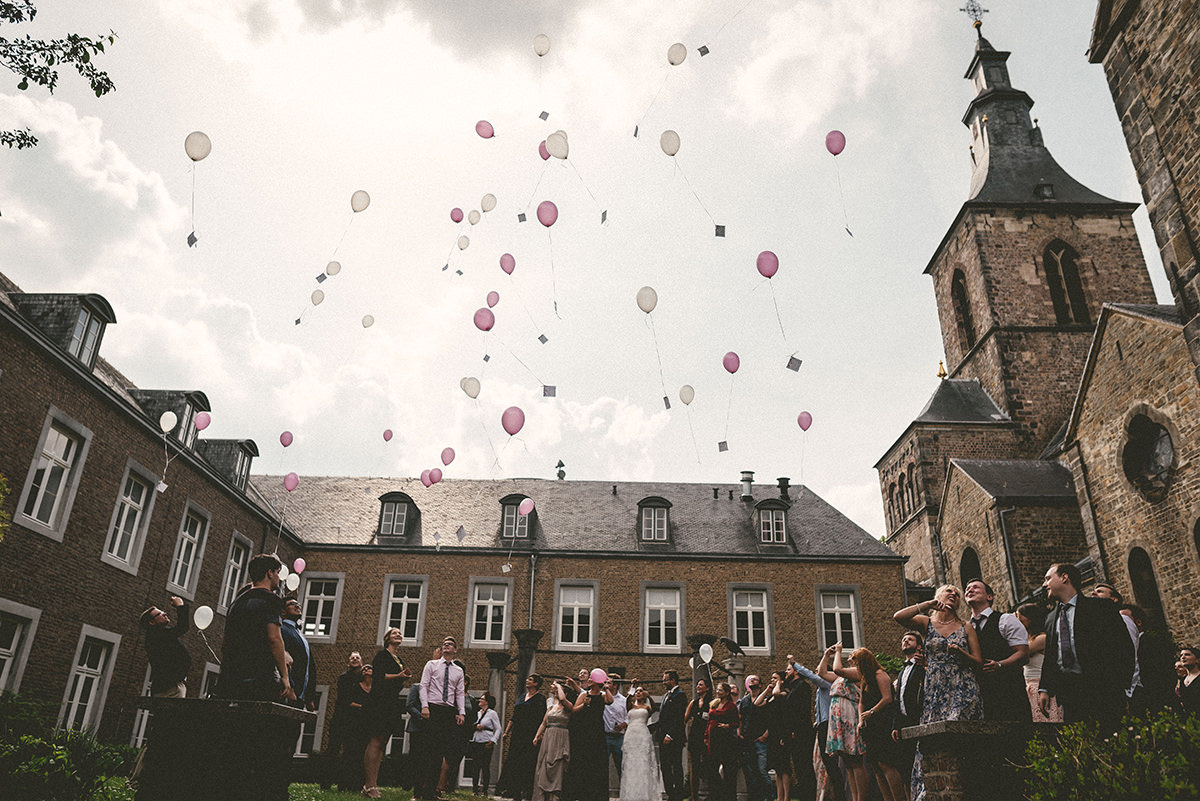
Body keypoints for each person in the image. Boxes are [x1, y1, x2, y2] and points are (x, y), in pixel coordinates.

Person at [894, 584, 983, 801]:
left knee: (957, 732)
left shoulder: (966, 626)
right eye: (948, 591)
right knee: (934, 738)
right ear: (938, 597)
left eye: (956, 593)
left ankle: (967, 788)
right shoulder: (927, 623)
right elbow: (899, 616)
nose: (953, 594)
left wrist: (960, 652)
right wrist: (926, 605)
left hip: (963, 685)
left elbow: (978, 661)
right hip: (935, 688)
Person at [1038, 563, 1134, 733]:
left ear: (1064, 578)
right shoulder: (1050, 618)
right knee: (1080, 740)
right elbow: (1051, 656)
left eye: (1048, 579)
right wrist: (1044, 688)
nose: (1044, 584)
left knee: (1111, 737)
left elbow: (1122, 647)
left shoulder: (1100, 607)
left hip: (1102, 688)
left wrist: (1120, 686)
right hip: (1069, 691)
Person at [216, 553, 294, 703]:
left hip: (231, 675)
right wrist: (284, 676)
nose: (278, 577)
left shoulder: (236, 602)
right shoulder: (271, 599)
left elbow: (225, 641)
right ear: (269, 573)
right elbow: (274, 638)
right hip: (259, 677)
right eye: (277, 572)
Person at [963, 579, 1029, 722]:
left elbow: (1023, 653)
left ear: (989, 596)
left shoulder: (1005, 620)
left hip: (1009, 690)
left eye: (975, 587)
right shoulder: (965, 629)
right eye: (967, 589)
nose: (969, 590)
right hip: (980, 695)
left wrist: (1000, 664)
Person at [363, 627, 412, 798]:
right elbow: (378, 676)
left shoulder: (399, 659)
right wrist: (398, 676)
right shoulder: (382, 655)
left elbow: (396, 681)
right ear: (387, 639)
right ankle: (370, 785)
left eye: (400, 633)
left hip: (391, 702)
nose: (398, 634)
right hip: (379, 702)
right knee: (375, 741)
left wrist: (402, 677)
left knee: (382, 743)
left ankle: (371, 784)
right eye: (394, 633)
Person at [852, 648, 904, 801]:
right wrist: (861, 720)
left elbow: (887, 698)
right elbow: (861, 702)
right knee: (875, 766)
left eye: (857, 662)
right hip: (870, 726)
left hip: (882, 722)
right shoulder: (864, 679)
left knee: (885, 763)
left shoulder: (880, 675)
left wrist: (872, 712)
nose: (855, 666)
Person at [420, 636, 467, 799]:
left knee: (440, 752)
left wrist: (461, 712)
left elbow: (459, 692)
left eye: (450, 645)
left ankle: (432, 791)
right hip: (433, 708)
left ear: (455, 650)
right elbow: (423, 685)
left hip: (447, 711)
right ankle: (419, 791)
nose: (446, 646)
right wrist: (424, 706)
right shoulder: (431, 665)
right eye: (444, 644)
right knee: (428, 751)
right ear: (441, 649)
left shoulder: (458, 671)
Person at [821, 645, 867, 801]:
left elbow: (838, 669)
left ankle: (861, 798)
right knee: (847, 763)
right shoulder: (842, 677)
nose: (849, 659)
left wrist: (839, 652)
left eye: (853, 657)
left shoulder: (857, 672)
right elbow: (821, 673)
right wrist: (826, 655)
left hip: (849, 717)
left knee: (855, 761)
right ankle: (853, 798)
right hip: (838, 720)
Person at [795, 655, 842, 801]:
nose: (816, 672)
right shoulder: (821, 689)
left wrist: (794, 664)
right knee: (827, 764)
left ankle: (841, 796)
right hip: (822, 725)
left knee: (832, 764)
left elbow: (812, 677)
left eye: (819, 671)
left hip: (829, 725)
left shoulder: (827, 684)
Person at [497, 674, 548, 801]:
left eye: (530, 680)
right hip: (517, 734)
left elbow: (542, 718)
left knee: (528, 762)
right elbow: (514, 716)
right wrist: (507, 731)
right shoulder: (522, 697)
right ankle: (515, 791)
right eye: (527, 679)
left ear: (536, 683)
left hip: (530, 735)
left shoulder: (540, 698)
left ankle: (528, 792)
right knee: (515, 761)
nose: (527, 681)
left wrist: (539, 734)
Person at [567, 670, 612, 801]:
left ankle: (597, 795)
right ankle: (582, 793)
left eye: (592, 680)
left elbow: (610, 701)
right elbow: (574, 710)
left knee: (597, 763)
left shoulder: (603, 695)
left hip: (597, 732)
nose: (589, 681)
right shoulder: (583, 695)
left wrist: (606, 688)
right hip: (585, 732)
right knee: (584, 762)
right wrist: (583, 704)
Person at [1014, 604, 1061, 722]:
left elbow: (1021, 652)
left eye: (1020, 617)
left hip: (1038, 685)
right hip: (1028, 685)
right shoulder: (1027, 639)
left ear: (1030, 618)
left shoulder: (1041, 638)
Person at [324, 651, 363, 791]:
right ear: (348, 663)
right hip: (340, 720)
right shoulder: (344, 678)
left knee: (350, 753)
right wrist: (362, 707)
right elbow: (344, 700)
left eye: (357, 658)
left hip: (354, 723)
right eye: (352, 658)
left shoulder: (363, 679)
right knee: (333, 750)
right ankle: (325, 784)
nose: (354, 659)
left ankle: (344, 785)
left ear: (361, 662)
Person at [890, 631, 924, 786]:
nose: (905, 641)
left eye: (910, 639)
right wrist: (896, 725)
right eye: (903, 639)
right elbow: (898, 700)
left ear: (918, 645)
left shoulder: (922, 666)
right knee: (905, 766)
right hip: (903, 722)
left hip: (918, 720)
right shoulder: (903, 671)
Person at [140, 595, 191, 698]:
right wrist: (180, 606)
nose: (165, 613)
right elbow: (183, 627)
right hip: (171, 689)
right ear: (152, 622)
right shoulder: (157, 636)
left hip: (169, 687)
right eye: (160, 613)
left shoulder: (158, 635)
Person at [619, 684, 664, 801]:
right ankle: (631, 794)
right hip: (631, 735)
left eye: (640, 691)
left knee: (643, 762)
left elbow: (655, 709)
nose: (638, 693)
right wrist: (632, 687)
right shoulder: (631, 706)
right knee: (631, 763)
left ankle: (644, 794)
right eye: (637, 691)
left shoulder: (647, 707)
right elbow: (627, 701)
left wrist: (649, 697)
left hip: (643, 734)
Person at [533, 680, 574, 801]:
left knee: (556, 764)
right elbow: (544, 723)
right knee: (544, 764)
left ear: (565, 693)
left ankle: (554, 795)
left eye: (558, 691)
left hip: (560, 737)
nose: (555, 693)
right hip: (548, 737)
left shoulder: (568, 706)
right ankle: (543, 795)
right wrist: (537, 736)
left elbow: (561, 698)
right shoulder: (551, 707)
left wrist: (558, 686)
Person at [654, 669, 688, 801]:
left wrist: (670, 734)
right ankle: (671, 794)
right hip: (663, 737)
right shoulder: (665, 696)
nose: (663, 682)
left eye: (665, 680)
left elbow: (678, 719)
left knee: (676, 765)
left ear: (673, 680)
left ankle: (678, 795)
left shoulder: (680, 695)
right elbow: (662, 719)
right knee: (665, 766)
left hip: (674, 738)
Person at [340, 662, 373, 795]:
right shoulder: (355, 687)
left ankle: (359, 784)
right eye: (364, 669)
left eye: (369, 668)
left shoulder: (375, 689)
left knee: (363, 754)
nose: (366, 670)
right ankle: (344, 784)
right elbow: (348, 702)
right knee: (350, 752)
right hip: (354, 724)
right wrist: (362, 707)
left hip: (367, 724)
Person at [738, 675, 772, 801]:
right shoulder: (745, 700)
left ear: (760, 685)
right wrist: (739, 732)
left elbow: (771, 719)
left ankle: (770, 796)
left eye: (755, 679)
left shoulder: (766, 700)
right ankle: (756, 797)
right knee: (751, 771)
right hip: (747, 740)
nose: (752, 680)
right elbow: (741, 717)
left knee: (762, 771)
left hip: (761, 740)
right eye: (750, 679)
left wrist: (765, 735)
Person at [705, 682, 740, 801]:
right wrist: (706, 736)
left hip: (725, 741)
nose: (717, 692)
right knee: (711, 769)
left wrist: (727, 725)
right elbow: (709, 721)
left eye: (720, 690)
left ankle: (729, 796)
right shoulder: (714, 704)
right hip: (713, 741)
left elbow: (736, 723)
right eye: (717, 690)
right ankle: (716, 795)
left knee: (728, 770)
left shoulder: (731, 706)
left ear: (726, 692)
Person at [280, 597, 317, 707]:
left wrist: (309, 697)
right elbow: (282, 659)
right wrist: (290, 687)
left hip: (300, 696)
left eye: (298, 604)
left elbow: (310, 666)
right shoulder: (282, 629)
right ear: (283, 611)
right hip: (289, 694)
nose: (297, 606)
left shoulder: (300, 635)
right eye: (292, 604)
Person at [684, 678, 713, 801]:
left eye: (701, 685)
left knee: (708, 765)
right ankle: (694, 796)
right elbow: (685, 719)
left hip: (707, 738)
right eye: (697, 685)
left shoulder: (712, 702)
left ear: (707, 688)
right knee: (694, 766)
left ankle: (709, 795)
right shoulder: (693, 703)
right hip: (695, 737)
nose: (698, 686)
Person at [468, 693, 501, 795]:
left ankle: (485, 790)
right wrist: (476, 726)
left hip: (486, 742)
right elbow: (472, 725)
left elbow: (498, 728)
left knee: (485, 766)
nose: (480, 701)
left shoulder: (492, 713)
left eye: (482, 699)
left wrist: (492, 740)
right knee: (475, 766)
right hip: (476, 741)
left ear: (487, 702)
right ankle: (475, 790)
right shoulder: (477, 713)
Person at [602, 674, 628, 777]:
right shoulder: (602, 697)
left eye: (609, 683)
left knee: (621, 765)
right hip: (605, 736)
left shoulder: (623, 700)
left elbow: (628, 716)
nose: (606, 685)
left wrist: (624, 724)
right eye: (605, 682)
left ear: (615, 685)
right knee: (603, 765)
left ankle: (623, 790)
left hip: (619, 738)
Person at [1178, 646, 1200, 715]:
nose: (1183, 657)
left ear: (1197, 660)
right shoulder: (1182, 681)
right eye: (1181, 655)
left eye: (1187, 654)